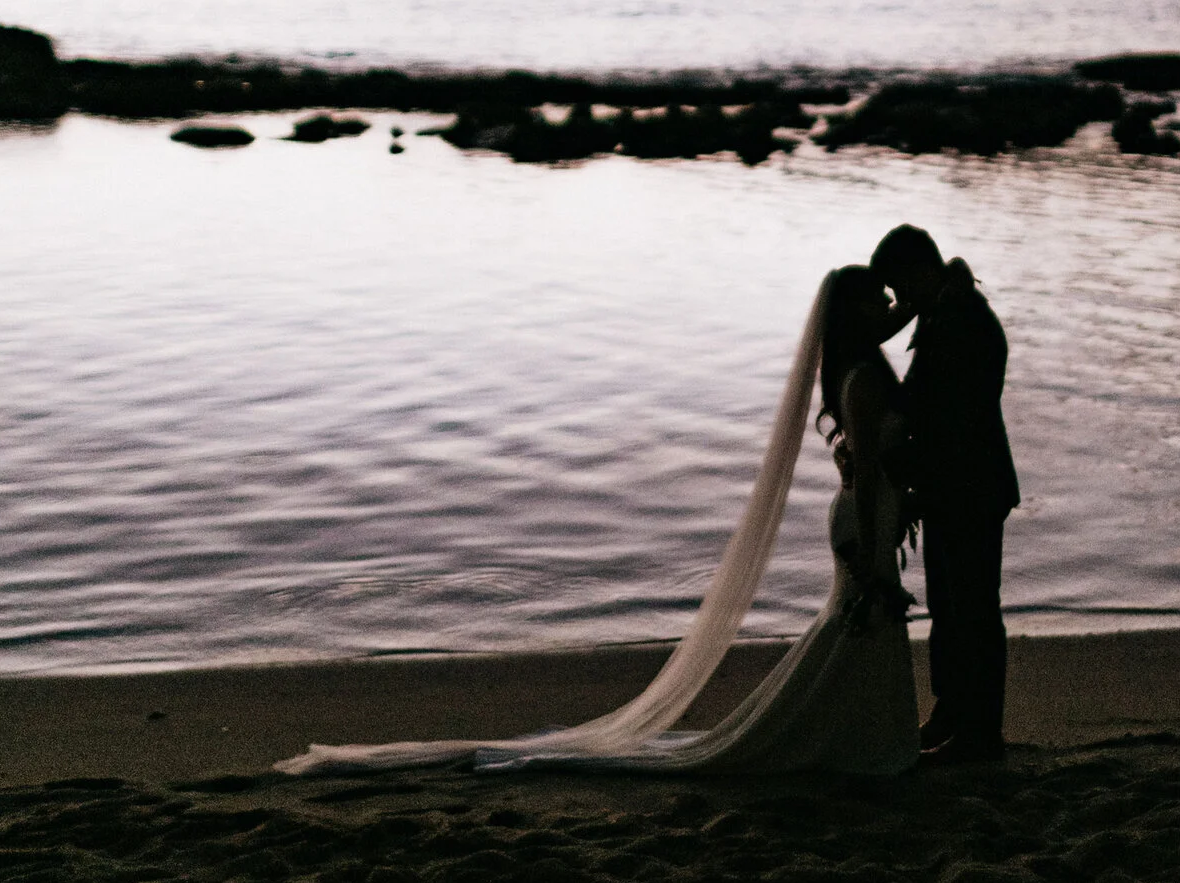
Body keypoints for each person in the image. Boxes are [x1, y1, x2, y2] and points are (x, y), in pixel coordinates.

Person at [276, 266, 919, 778]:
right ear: (854, 312)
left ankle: (852, 738)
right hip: (861, 520)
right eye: (877, 301)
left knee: (857, 630)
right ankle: (845, 742)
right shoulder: (862, 379)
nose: (885, 309)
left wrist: (928, 294)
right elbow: (864, 467)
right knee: (859, 621)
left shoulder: (852, 365)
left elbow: (883, 341)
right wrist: (874, 548)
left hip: (868, 515)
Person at [870, 225, 1016, 767]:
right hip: (952, 484)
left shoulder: (961, 321)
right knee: (949, 606)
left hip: (970, 486)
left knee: (973, 608)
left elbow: (945, 416)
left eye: (899, 287)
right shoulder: (944, 312)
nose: (899, 301)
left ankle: (980, 732)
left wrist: (896, 464)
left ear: (917, 270)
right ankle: (953, 713)